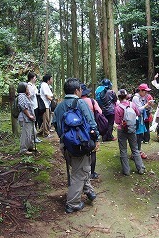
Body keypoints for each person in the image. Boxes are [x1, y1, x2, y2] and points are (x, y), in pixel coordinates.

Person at [53, 78, 100, 213]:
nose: (81, 91)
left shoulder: (59, 106)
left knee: (80, 168)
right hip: (81, 144)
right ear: (76, 91)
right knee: (80, 172)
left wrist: (66, 138)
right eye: (80, 89)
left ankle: (89, 191)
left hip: (67, 145)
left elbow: (56, 125)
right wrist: (96, 139)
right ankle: (72, 203)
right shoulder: (80, 103)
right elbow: (91, 122)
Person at [115, 89, 146, 176]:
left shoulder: (117, 108)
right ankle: (140, 168)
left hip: (122, 130)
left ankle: (126, 171)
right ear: (126, 96)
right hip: (132, 129)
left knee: (123, 150)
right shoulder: (132, 104)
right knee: (135, 149)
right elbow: (138, 113)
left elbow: (117, 121)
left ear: (119, 97)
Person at [80, 83, 102, 179]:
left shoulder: (77, 102)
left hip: (80, 129)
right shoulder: (92, 101)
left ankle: (82, 173)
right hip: (91, 128)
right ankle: (92, 173)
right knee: (93, 150)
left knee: (82, 150)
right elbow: (100, 112)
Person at [132, 83, 153, 159]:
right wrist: (146, 105)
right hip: (136, 119)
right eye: (145, 91)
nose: (146, 93)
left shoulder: (142, 97)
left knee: (140, 136)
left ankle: (138, 151)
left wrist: (149, 106)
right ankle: (135, 153)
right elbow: (138, 110)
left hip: (141, 119)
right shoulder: (136, 98)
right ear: (140, 90)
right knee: (137, 136)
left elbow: (144, 108)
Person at [17, 82, 36, 155]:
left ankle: (30, 147)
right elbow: (23, 106)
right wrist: (29, 115)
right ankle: (23, 150)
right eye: (27, 88)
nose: (28, 89)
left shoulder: (24, 96)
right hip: (25, 118)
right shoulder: (21, 96)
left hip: (28, 118)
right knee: (26, 134)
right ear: (24, 89)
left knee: (32, 132)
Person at [27, 72, 42, 143]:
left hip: (35, 105)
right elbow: (29, 95)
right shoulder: (29, 86)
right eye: (35, 77)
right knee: (33, 122)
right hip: (32, 106)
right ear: (32, 78)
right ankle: (33, 138)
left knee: (35, 122)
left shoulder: (33, 85)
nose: (36, 79)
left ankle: (35, 136)